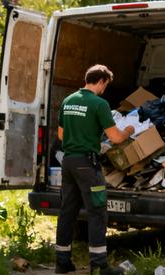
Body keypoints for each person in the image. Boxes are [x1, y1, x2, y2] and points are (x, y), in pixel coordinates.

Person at [55, 65, 134, 275]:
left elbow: (61, 136)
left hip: (69, 163)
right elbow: (116, 138)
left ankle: (62, 262)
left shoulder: (68, 101)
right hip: (87, 166)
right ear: (100, 82)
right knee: (97, 212)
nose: (104, 89)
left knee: (67, 212)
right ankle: (99, 265)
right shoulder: (99, 104)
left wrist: (86, 138)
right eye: (105, 85)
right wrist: (128, 130)